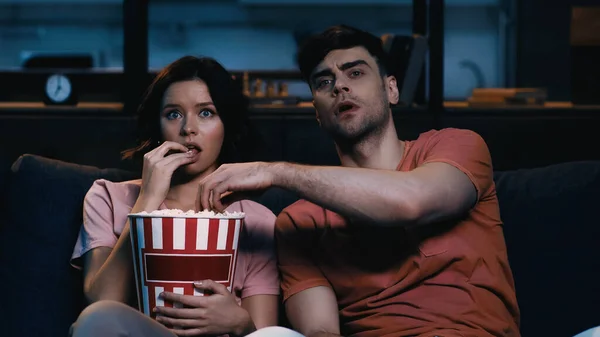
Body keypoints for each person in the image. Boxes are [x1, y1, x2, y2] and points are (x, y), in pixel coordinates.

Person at [196, 25, 521, 337]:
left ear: (391, 89)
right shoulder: (298, 223)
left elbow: (411, 202)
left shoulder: (456, 146)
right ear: (318, 113)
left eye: (355, 73)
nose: (339, 86)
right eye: (324, 82)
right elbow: (319, 330)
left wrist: (275, 172)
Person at [69, 56, 301, 337]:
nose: (188, 128)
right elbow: (100, 304)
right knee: (97, 317)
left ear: (226, 126)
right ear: (158, 128)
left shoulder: (256, 221)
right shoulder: (108, 196)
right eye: (173, 114)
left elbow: (263, 333)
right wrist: (146, 202)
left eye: (206, 113)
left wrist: (239, 323)